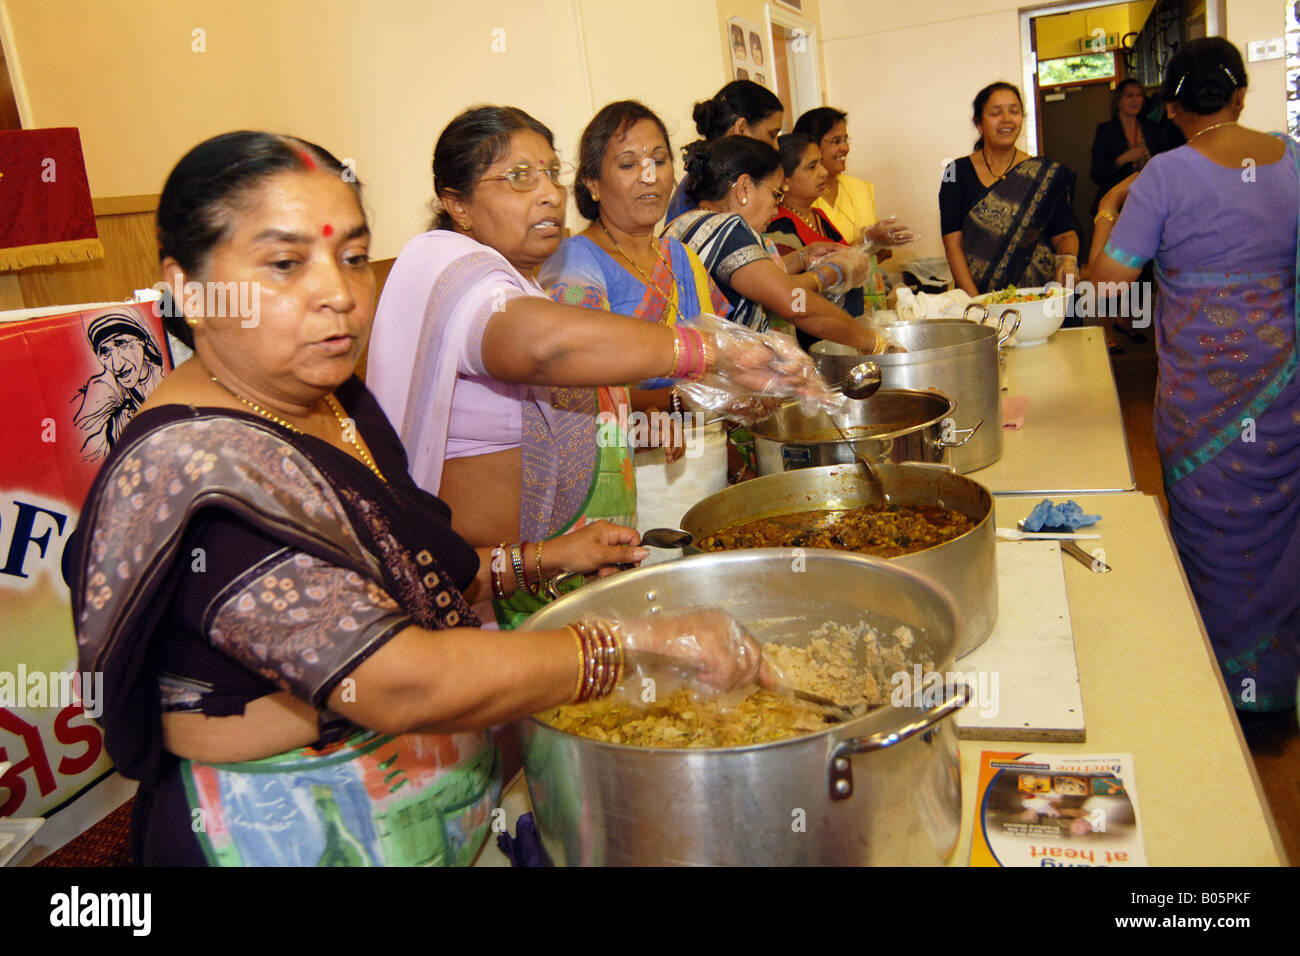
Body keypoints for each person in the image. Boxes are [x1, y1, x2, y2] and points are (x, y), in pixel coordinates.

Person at [70, 131, 775, 866]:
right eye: (284, 264)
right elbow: (393, 680)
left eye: (350, 256)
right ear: (189, 290)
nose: (339, 293)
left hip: (436, 818)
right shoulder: (198, 471)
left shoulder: (330, 400)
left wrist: (540, 559)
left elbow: (408, 572)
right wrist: (634, 645)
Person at [366, 107, 830, 626]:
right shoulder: (449, 266)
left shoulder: (524, 280)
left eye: (549, 172)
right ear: (458, 204)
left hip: (540, 571)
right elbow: (546, 346)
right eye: (519, 177)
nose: (547, 192)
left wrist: (566, 554)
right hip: (479, 601)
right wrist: (712, 353)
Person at [1088, 38, 1300, 730]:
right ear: (1241, 94)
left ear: (1173, 108)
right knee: (1277, 536)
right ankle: (1267, 696)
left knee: (1212, 535)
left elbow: (1109, 289)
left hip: (1201, 404)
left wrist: (1102, 216)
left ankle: (1216, 695)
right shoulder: (1292, 161)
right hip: (1282, 392)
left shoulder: (1166, 177)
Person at [537, 101, 732, 553]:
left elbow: (722, 348)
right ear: (592, 184)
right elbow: (573, 385)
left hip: (704, 462)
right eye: (628, 164)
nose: (650, 176)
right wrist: (667, 401)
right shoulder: (576, 262)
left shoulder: (680, 256)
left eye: (659, 161)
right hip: (631, 476)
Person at [664, 135, 886, 353]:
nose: (776, 209)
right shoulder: (726, 227)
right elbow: (795, 305)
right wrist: (875, 343)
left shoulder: (685, 224)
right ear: (744, 189)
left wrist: (801, 257)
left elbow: (757, 279)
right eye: (776, 194)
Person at [940, 82, 1080, 297]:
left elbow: (1064, 234)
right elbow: (953, 245)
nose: (1006, 118)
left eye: (1014, 111)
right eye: (996, 112)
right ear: (978, 123)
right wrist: (978, 304)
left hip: (1038, 298)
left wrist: (1068, 260)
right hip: (977, 297)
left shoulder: (1044, 175)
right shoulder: (955, 172)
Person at [793, 106, 915, 313]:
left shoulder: (860, 188)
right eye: (835, 141)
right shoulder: (802, 200)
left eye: (845, 140)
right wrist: (866, 243)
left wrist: (879, 243)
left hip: (868, 297)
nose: (844, 148)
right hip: (826, 306)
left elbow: (882, 254)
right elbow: (810, 266)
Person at [765, 132, 866, 337]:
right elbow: (787, 293)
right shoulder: (779, 226)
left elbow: (847, 257)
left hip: (841, 329)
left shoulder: (818, 215)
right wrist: (828, 274)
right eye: (812, 167)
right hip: (814, 339)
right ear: (785, 179)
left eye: (820, 163)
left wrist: (871, 241)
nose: (823, 172)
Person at [665, 80, 784, 222]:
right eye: (772, 134)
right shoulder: (706, 187)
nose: (776, 147)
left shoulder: (713, 178)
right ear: (741, 129)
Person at [72, 310, 167, 460]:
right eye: (105, 351)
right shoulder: (108, 400)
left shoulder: (170, 377)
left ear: (142, 340)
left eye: (121, 343)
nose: (117, 365)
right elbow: (87, 460)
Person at [1088, 78, 1166, 216]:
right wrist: (1122, 160)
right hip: (1117, 205)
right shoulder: (1106, 131)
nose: (1135, 100)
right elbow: (1096, 175)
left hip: (1150, 203)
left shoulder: (1152, 128)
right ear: (1118, 101)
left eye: (1139, 95)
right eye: (1129, 95)